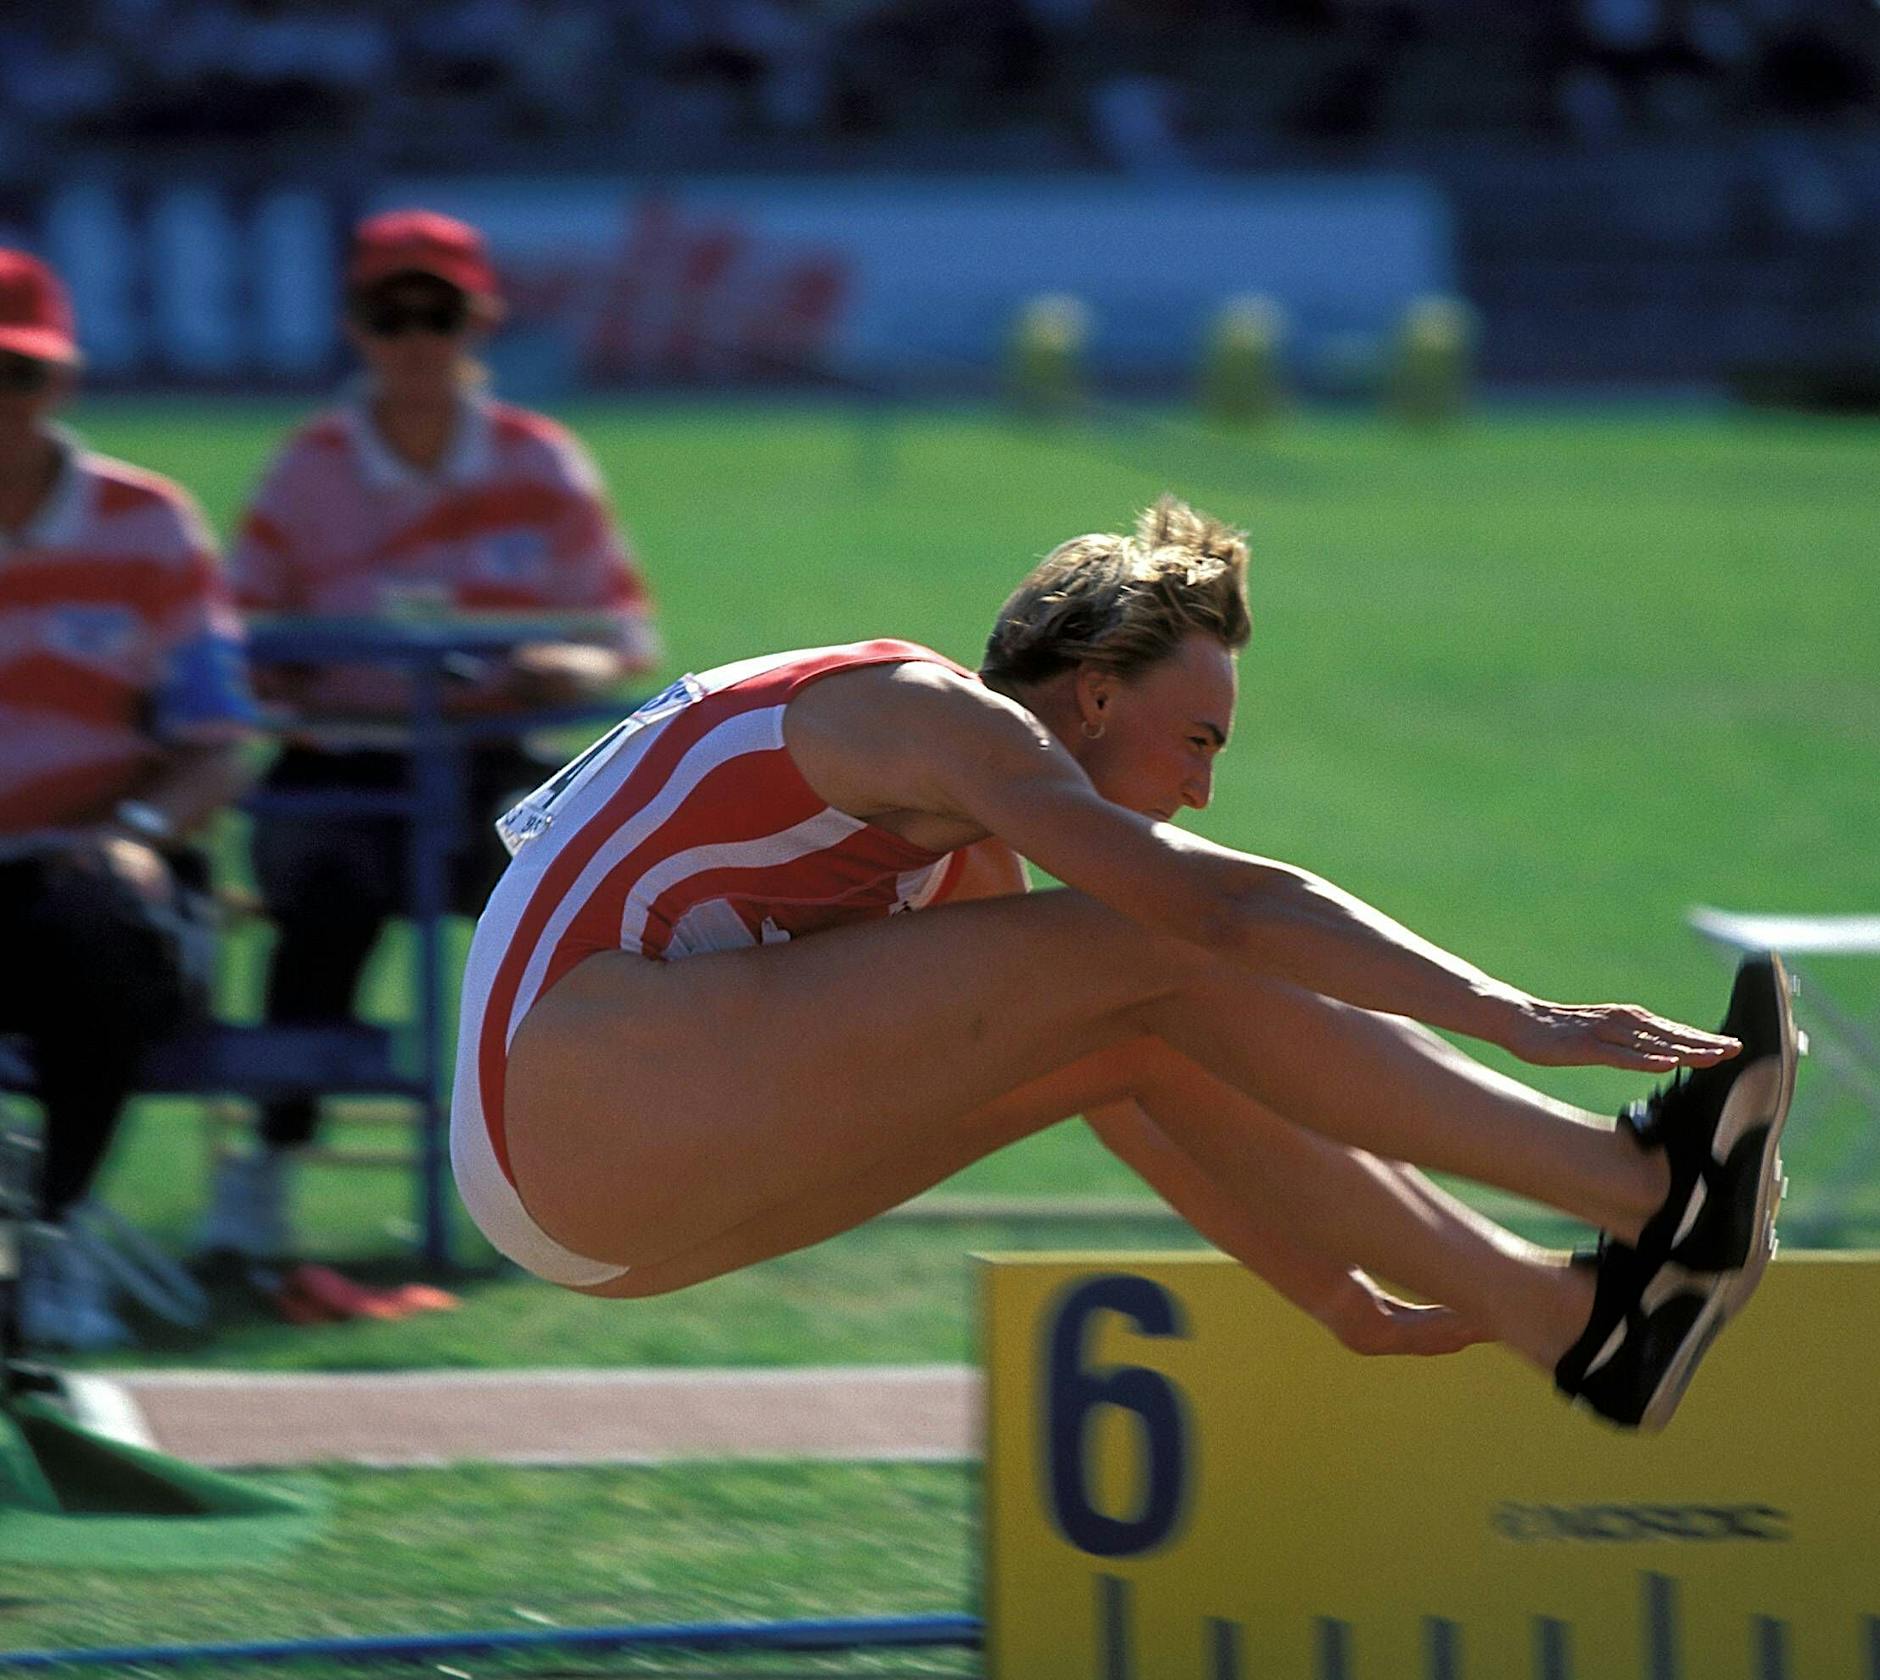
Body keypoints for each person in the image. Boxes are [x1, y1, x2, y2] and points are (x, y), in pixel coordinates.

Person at [451, 496, 1797, 1433]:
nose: (1202, 790)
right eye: (1198, 740)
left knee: (1130, 1016)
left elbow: (1127, 1086)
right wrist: (1517, 1016)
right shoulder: (924, 719)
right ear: (1096, 693)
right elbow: (1215, 916)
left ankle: (1573, 1329)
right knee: (1161, 937)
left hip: (596, 1214)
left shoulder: (958, 846)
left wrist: (1337, 1302)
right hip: (571, 1097)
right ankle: (1645, 1188)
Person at [198, 209, 659, 1265]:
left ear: (480, 321)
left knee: (571, 925)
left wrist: (566, 668)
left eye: (435, 313)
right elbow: (240, 638)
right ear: (356, 327)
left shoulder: (543, 461)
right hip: (340, 763)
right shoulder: (303, 469)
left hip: (496, 764)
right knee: (316, 912)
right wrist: (301, 668)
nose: (413, 338)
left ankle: (562, 1180)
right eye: (387, 313)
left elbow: (618, 632)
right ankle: (267, 1168)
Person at [0, 248, 256, 1354]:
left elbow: (220, 739)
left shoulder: (148, 523)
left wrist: (136, 834)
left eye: (18, 376)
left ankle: (53, 1230)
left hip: (97, 862)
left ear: (61, 383)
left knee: (100, 933)